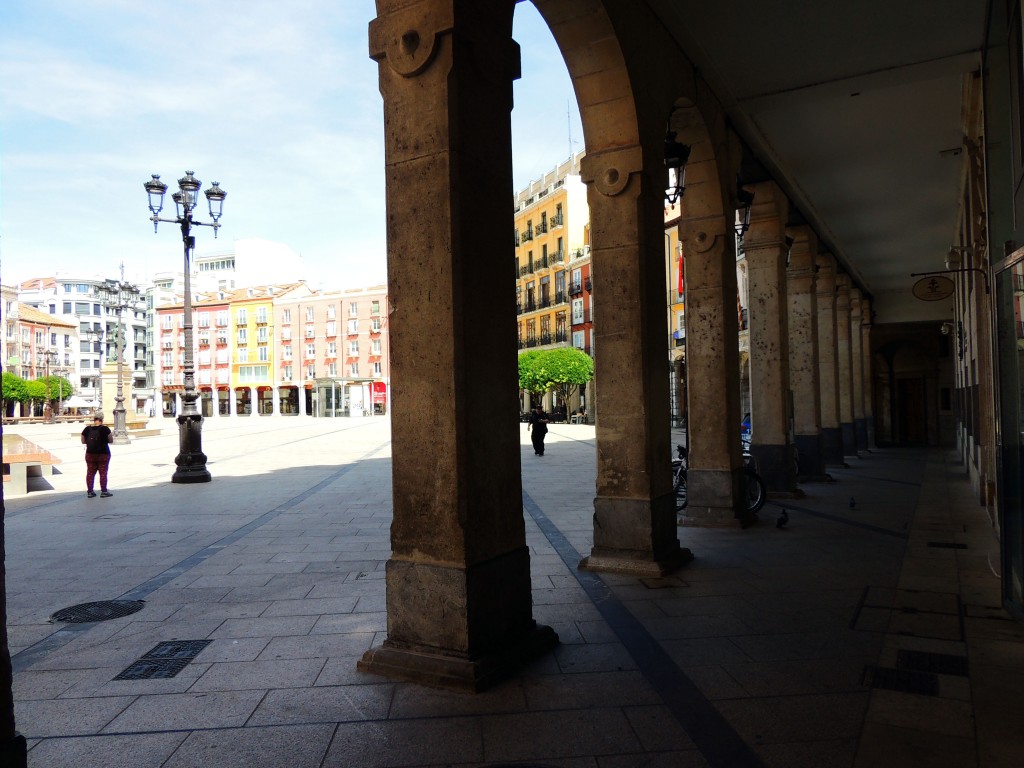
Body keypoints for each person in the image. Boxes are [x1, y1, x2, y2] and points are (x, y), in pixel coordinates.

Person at [81, 412, 113, 498]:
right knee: (103, 473)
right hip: (103, 454)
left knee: (90, 473)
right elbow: (110, 440)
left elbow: (83, 441)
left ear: (94, 419)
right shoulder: (105, 429)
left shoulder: (87, 429)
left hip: (90, 454)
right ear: (101, 420)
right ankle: (104, 491)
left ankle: (90, 492)